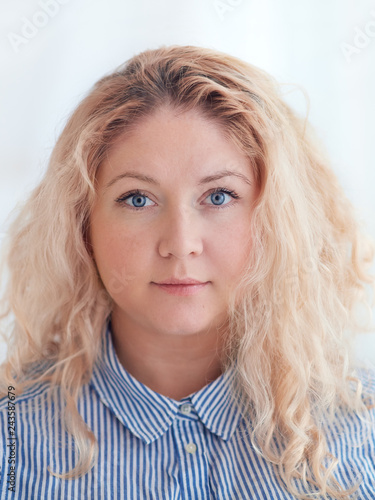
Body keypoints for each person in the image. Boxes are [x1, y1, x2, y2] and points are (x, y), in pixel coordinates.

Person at [0, 45, 374, 500]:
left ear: (278, 221)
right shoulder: (10, 439)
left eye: (218, 196)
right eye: (138, 198)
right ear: (82, 226)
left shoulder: (363, 429)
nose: (180, 243)